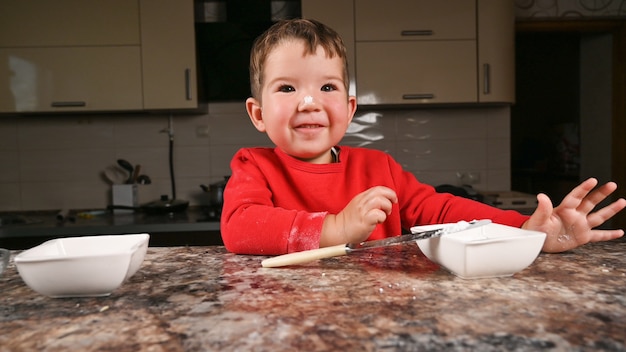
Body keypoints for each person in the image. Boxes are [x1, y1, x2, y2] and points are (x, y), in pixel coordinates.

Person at [220, 19, 625, 256]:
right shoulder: (254, 165)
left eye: (327, 88)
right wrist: (336, 230)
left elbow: (441, 210)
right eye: (288, 89)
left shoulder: (378, 169)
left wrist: (527, 231)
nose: (309, 103)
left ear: (350, 107)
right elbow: (240, 226)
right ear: (257, 113)